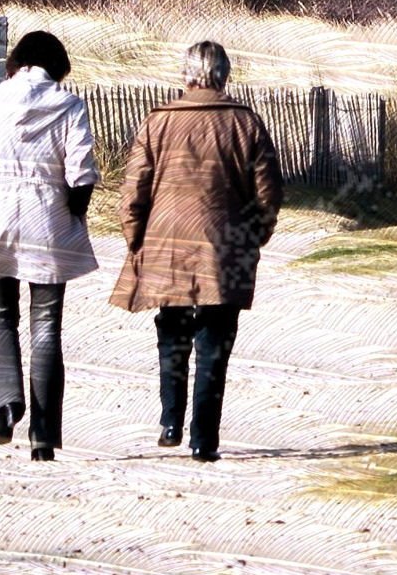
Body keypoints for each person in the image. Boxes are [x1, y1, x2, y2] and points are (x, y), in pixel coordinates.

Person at [108, 41, 285, 462]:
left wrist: (136, 239)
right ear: (225, 74)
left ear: (186, 75)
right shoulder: (247, 123)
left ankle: (171, 420)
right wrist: (255, 236)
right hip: (226, 245)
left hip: (166, 241)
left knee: (171, 329)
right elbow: (269, 193)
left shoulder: (158, 122)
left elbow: (134, 189)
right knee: (215, 341)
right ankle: (204, 438)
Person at [0, 29, 99, 462]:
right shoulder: (68, 104)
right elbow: (81, 173)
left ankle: (5, 407)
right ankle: (44, 437)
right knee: (46, 326)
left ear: (17, 61)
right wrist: (73, 214)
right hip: (48, 223)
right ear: (56, 66)